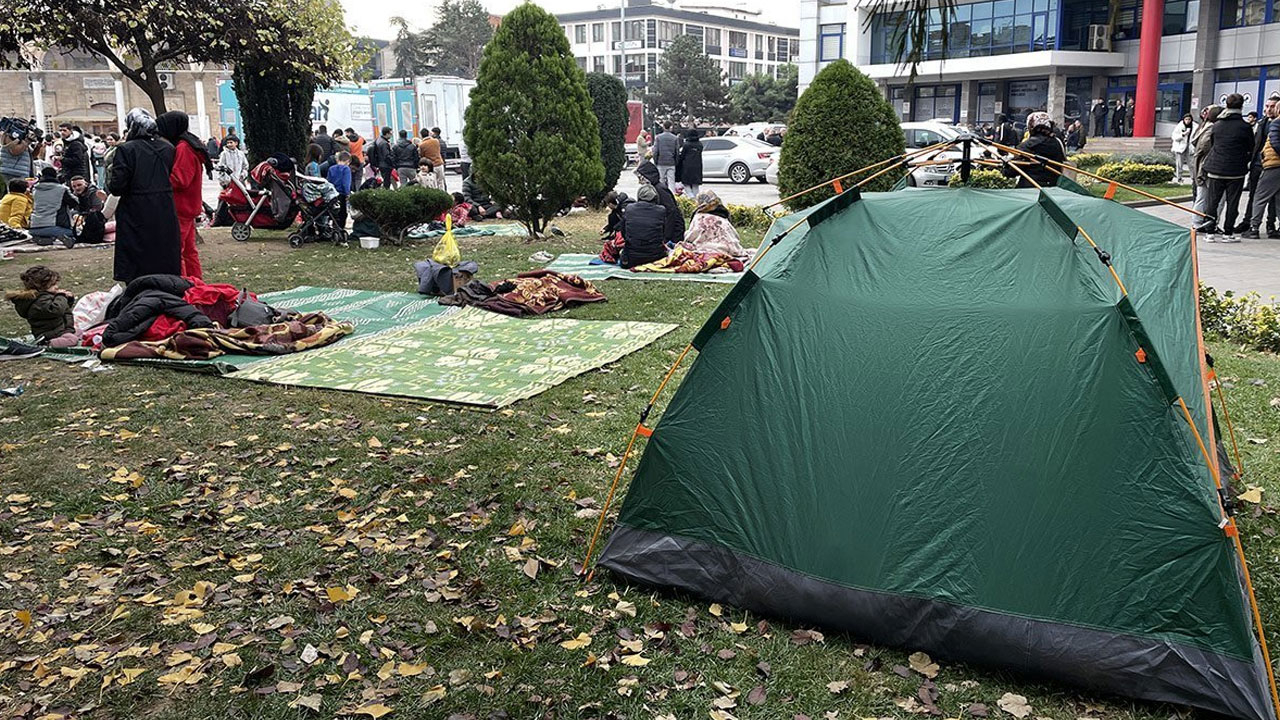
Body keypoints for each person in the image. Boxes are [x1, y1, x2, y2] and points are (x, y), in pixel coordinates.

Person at [109, 107, 181, 283]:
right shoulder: (168, 148)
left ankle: (138, 287)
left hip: (135, 208)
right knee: (163, 247)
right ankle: (166, 286)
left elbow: (117, 186)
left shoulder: (126, 150)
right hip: (164, 205)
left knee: (137, 252)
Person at [157, 111, 213, 279]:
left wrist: (158, 179)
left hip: (181, 206)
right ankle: (195, 284)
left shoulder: (184, 148)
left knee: (177, 251)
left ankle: (183, 285)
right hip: (188, 206)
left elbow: (180, 179)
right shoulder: (191, 144)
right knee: (189, 251)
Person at [1196, 93, 1253, 241]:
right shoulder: (1245, 127)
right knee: (1232, 203)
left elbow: (1213, 143)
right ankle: (1228, 233)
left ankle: (1209, 232)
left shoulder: (1217, 125)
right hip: (1236, 171)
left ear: (1226, 105)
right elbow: (1250, 147)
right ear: (1241, 106)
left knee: (1212, 202)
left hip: (1216, 168)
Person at [1238, 93, 1280, 234]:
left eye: (1272, 106)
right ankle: (1248, 222)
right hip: (1258, 164)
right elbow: (1256, 144)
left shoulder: (1275, 123)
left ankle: (1265, 225)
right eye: (1267, 106)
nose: (1268, 109)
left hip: (1272, 164)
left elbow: (1274, 143)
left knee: (1269, 198)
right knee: (1254, 196)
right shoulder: (1262, 123)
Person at [5, 265, 76, 346]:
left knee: (79, 332)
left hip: (61, 329)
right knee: (72, 340)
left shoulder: (46, 296)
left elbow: (63, 310)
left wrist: (68, 299)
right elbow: (56, 310)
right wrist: (61, 296)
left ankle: (62, 339)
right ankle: (48, 344)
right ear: (42, 286)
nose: (57, 287)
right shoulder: (39, 301)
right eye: (53, 284)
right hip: (50, 334)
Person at [1004, 111, 1065, 188]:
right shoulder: (1057, 142)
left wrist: (1006, 165)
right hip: (1053, 188)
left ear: (1030, 126)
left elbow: (1012, 171)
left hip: (1030, 190)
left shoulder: (1027, 145)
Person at [681, 190, 749, 259]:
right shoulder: (723, 217)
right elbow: (734, 235)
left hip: (706, 249)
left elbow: (691, 236)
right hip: (728, 249)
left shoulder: (698, 217)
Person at [634, 160, 684, 246]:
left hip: (673, 231)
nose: (639, 182)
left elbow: (671, 212)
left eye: (640, 178)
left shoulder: (660, 189)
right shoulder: (653, 188)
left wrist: (666, 237)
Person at [620, 183, 669, 268]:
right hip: (656, 258)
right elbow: (664, 233)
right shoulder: (661, 210)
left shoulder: (629, 208)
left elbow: (623, 232)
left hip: (631, 259)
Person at [28, 166, 77, 247]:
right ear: (55, 175)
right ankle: (60, 236)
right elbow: (74, 203)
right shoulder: (62, 189)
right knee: (77, 233)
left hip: (33, 227)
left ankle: (45, 238)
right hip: (54, 227)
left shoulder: (35, 189)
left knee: (46, 231)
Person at [1191, 105, 1221, 213]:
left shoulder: (1203, 126)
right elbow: (1205, 145)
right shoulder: (1211, 127)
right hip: (1205, 162)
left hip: (1199, 161)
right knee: (1203, 194)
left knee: (1199, 193)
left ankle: (1197, 220)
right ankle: (1198, 221)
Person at [68, 175, 107, 244]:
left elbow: (97, 209)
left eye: (79, 185)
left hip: (95, 221)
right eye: (74, 186)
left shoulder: (94, 193)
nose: (77, 188)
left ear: (85, 184)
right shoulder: (75, 195)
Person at [327, 151, 353, 230]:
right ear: (348, 161)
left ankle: (333, 227)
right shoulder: (346, 169)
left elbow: (328, 181)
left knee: (333, 212)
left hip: (332, 193)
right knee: (342, 213)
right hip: (341, 193)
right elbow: (346, 183)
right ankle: (340, 229)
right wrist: (348, 193)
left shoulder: (331, 168)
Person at [675, 129, 704, 198]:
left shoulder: (686, 145)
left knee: (686, 184)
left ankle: (691, 197)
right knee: (695, 185)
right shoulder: (700, 145)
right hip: (697, 166)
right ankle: (696, 198)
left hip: (687, 167)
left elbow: (682, 156)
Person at [653, 122, 680, 191]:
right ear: (670, 127)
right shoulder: (675, 138)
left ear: (663, 127)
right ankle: (673, 196)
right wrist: (676, 162)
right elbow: (677, 151)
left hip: (661, 162)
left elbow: (655, 151)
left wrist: (655, 161)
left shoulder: (658, 137)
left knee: (661, 180)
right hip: (671, 162)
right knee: (671, 181)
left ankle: (662, 195)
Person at [1171, 114, 1193, 183]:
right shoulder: (1180, 126)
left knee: (1191, 164)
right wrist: (1183, 135)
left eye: (1189, 119)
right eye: (1186, 119)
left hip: (1189, 147)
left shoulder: (1194, 126)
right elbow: (1174, 137)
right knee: (1179, 164)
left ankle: (1193, 178)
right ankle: (1179, 178)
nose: (1187, 121)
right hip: (1180, 147)